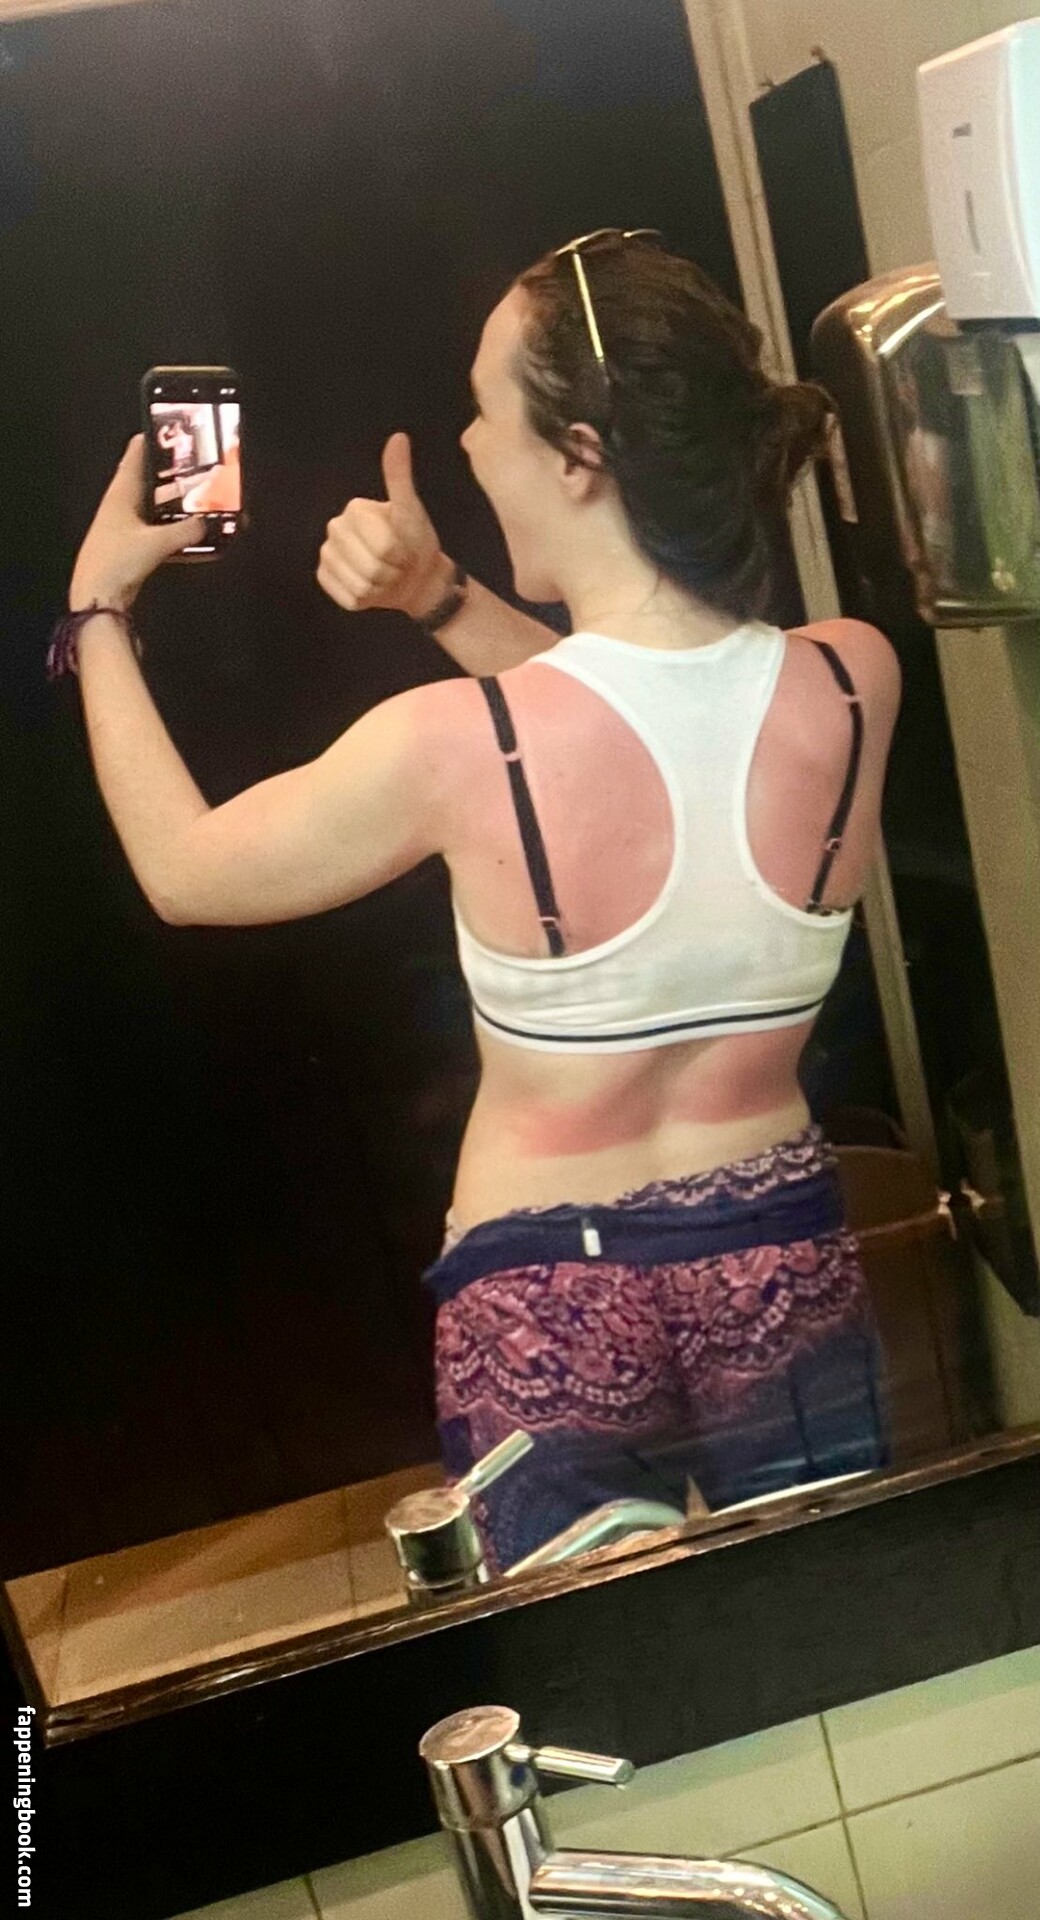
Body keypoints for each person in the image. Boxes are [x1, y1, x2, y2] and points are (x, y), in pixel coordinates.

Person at [62, 230, 900, 1568]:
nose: (465, 443)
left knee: (597, 1672)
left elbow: (184, 868)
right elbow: (649, 703)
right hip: (777, 1261)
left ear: (578, 455)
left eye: (484, 406)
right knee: (824, 1630)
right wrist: (441, 594)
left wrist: (99, 606)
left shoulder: (453, 748)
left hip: (549, 1298)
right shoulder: (853, 683)